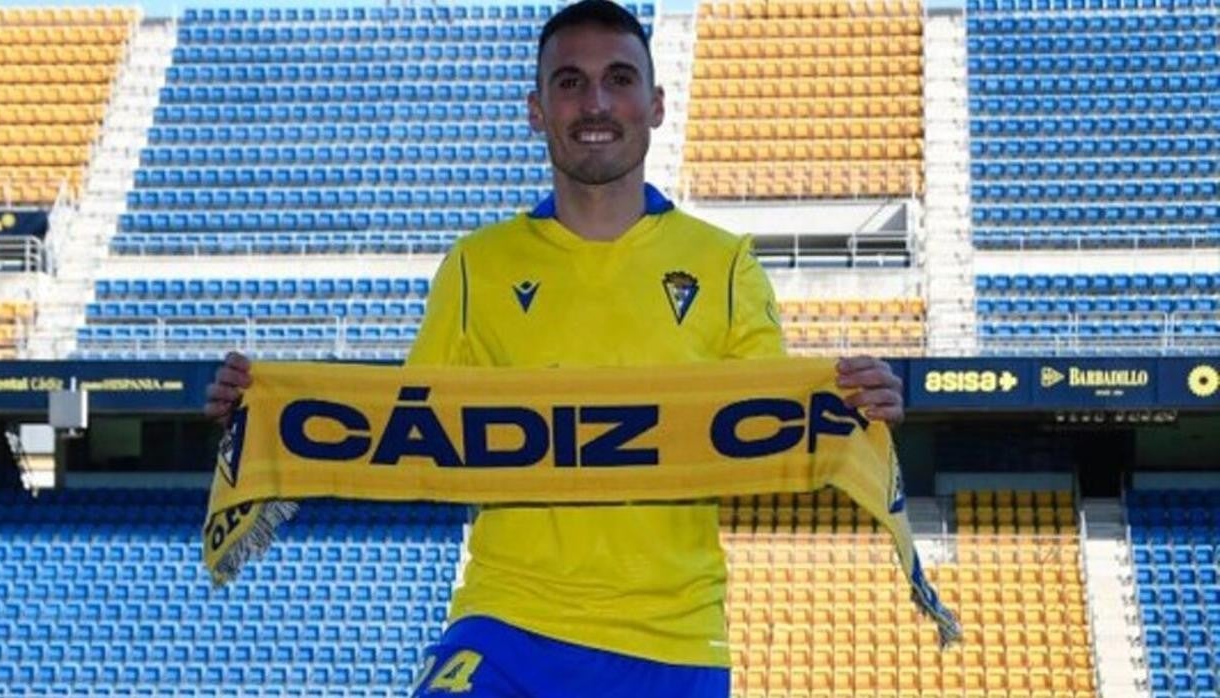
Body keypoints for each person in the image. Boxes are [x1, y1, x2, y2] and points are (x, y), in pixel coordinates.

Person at [204, 1, 905, 695]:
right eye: (570, 83)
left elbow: (776, 427)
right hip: (505, 621)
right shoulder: (477, 268)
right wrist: (264, 410)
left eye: (619, 80)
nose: (595, 103)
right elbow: (401, 432)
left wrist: (857, 401)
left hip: (670, 640)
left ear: (656, 105)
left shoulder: (724, 267)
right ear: (537, 110)